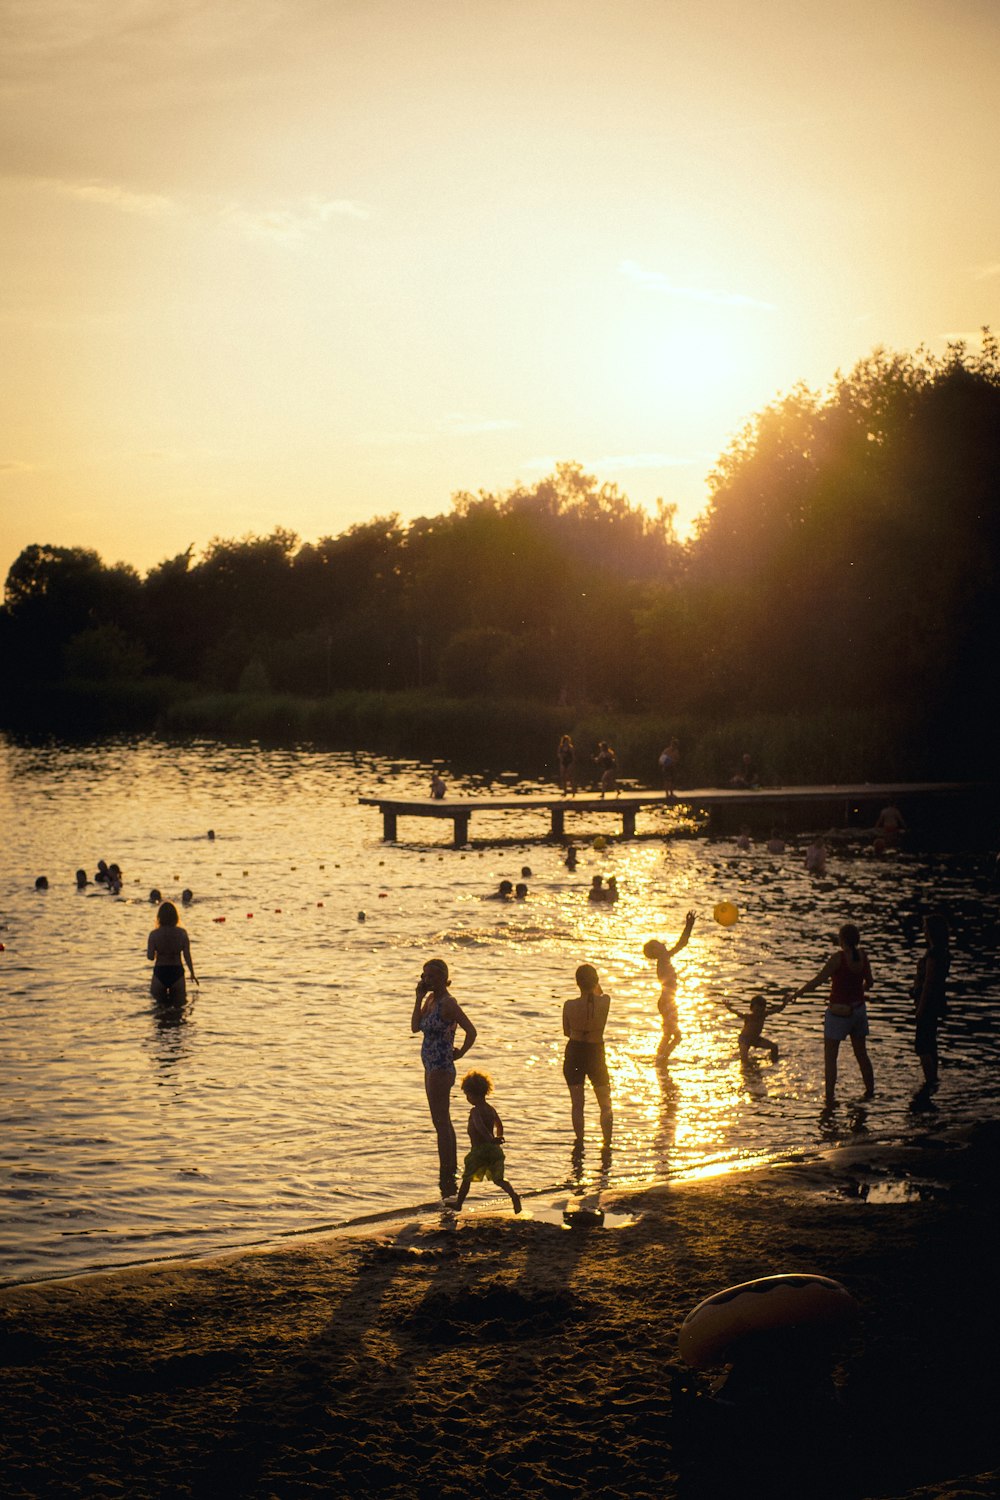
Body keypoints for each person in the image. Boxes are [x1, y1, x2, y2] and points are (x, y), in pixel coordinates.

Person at [411, 958, 477, 1197]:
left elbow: (471, 1030)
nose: (425, 980)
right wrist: (418, 997)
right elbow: (415, 1027)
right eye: (423, 976)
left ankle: (447, 1172)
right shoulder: (430, 1000)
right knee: (441, 1121)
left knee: (441, 1122)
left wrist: (461, 1052)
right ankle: (449, 1170)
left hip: (441, 1067)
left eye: (430, 976)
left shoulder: (449, 1004)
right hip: (430, 1066)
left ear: (442, 978)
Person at [792, 923, 874, 1109]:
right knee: (862, 1054)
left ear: (842, 940)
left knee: (831, 1059)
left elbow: (818, 980)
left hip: (838, 1014)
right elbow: (870, 983)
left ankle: (829, 1100)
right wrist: (858, 991)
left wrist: (798, 993)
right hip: (859, 1011)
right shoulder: (863, 956)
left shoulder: (838, 959)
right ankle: (870, 1093)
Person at [452, 1071, 521, 1214]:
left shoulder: (475, 1111)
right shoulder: (490, 1109)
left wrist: (490, 1138)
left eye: (467, 1095)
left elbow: (479, 1126)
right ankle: (514, 1196)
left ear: (472, 1094)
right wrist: (497, 1138)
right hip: (494, 1150)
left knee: (467, 1179)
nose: (467, 1098)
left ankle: (459, 1204)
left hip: (479, 1151)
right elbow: (499, 1124)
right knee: (499, 1179)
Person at [562, 964, 613, 1147]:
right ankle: (607, 1143)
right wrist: (595, 985)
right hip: (595, 1052)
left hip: (575, 1051)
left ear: (577, 983)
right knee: (605, 1103)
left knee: (578, 1104)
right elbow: (599, 993)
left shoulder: (569, 1005)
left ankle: (580, 1142)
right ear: (596, 981)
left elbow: (566, 1032)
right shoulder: (605, 1001)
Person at [644, 911, 696, 1064]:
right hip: (667, 1002)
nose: (663, 943)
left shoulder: (664, 959)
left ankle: (660, 1058)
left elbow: (682, 944)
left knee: (668, 1034)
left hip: (666, 1002)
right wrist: (689, 926)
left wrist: (689, 926)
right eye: (658, 944)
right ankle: (662, 1059)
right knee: (676, 1036)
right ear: (656, 951)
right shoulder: (664, 959)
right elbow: (682, 944)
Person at [912, 912, 950, 1094]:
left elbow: (929, 982)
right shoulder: (940, 951)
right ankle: (933, 1080)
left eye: (926, 928)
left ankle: (930, 1081)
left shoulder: (935, 954)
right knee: (930, 1042)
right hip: (933, 1003)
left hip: (928, 1004)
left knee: (923, 1045)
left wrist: (921, 1007)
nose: (923, 931)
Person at [147, 900, 198, 1004]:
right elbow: (187, 955)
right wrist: (192, 973)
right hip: (177, 971)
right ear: (175, 916)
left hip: (160, 972)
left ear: (159, 916)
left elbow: (150, 957)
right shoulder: (182, 933)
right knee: (178, 1010)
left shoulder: (154, 934)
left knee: (158, 1010)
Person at [722, 993, 793, 1065]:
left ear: (764, 1009)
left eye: (761, 1011)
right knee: (744, 1061)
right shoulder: (749, 1017)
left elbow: (777, 1010)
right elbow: (737, 1013)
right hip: (744, 1039)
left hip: (756, 1039)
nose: (758, 1013)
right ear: (751, 1008)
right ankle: (746, 1070)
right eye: (757, 1010)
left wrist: (784, 1003)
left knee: (774, 1047)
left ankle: (774, 1061)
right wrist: (728, 1007)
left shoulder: (764, 1014)